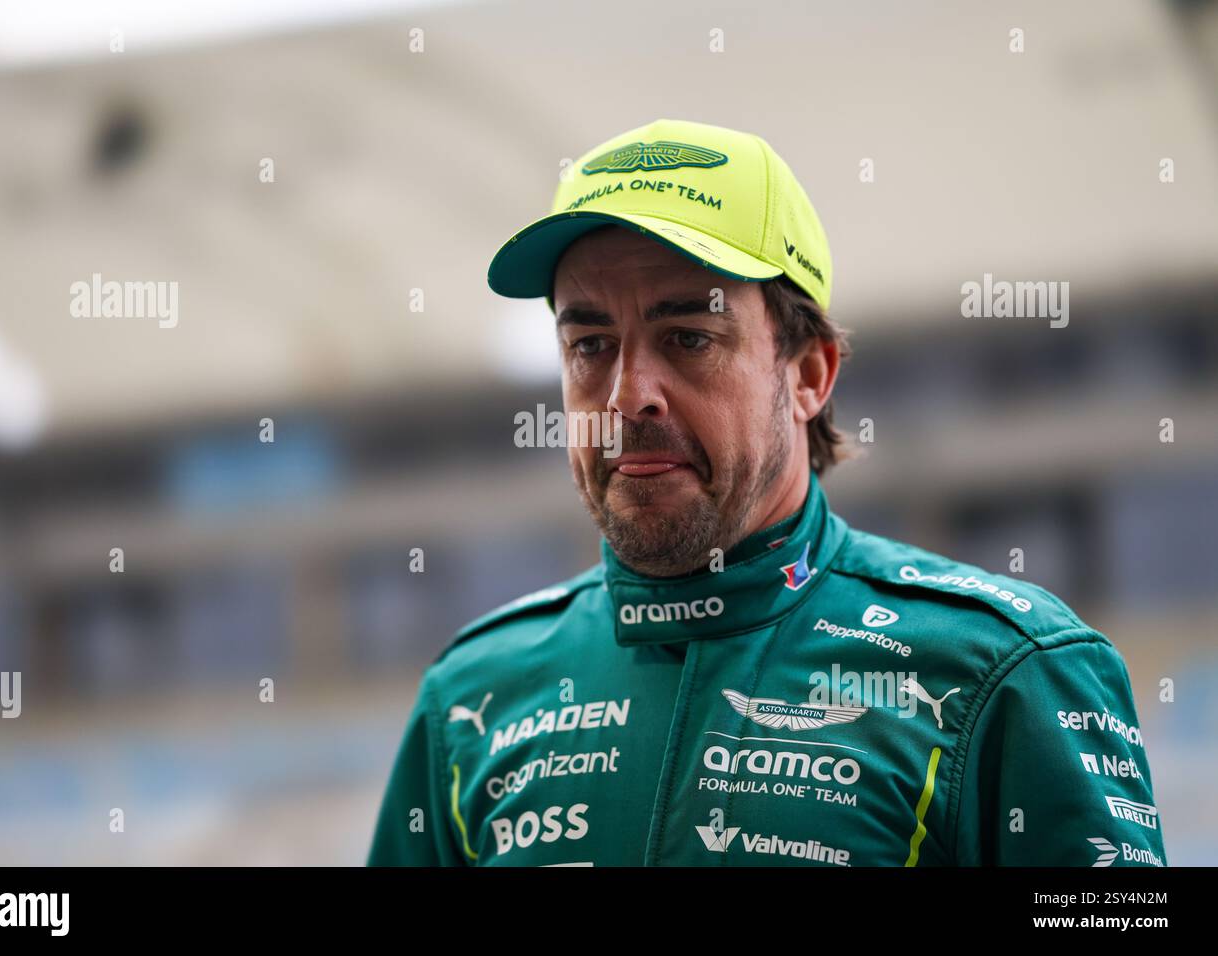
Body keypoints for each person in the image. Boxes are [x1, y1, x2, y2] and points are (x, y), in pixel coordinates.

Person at [367, 118, 1166, 867]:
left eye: (689, 337)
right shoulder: (470, 697)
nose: (627, 396)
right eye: (590, 344)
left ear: (810, 374)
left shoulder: (1008, 675)